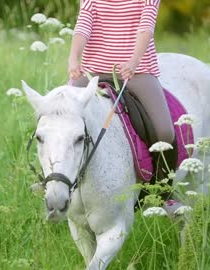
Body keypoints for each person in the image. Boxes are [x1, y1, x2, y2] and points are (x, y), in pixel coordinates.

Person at [68, 0, 178, 206]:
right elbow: (83, 25)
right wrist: (73, 58)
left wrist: (134, 60)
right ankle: (57, 181)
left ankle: (165, 192)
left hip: (136, 71)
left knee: (164, 132)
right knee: (62, 118)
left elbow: (146, 27)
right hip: (93, 71)